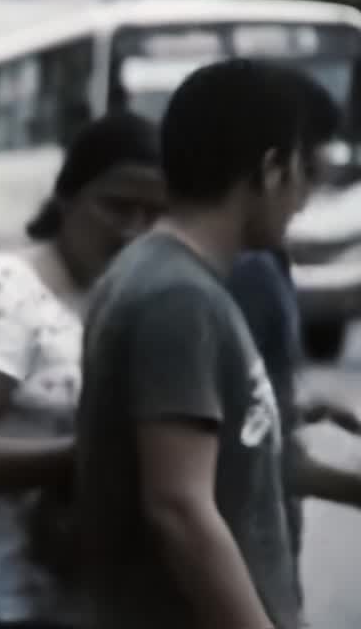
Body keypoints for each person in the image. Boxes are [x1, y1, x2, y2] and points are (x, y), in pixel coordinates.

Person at [75, 58, 318, 629]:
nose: (303, 197)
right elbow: (179, 509)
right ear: (271, 168)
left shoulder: (160, 274)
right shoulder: (178, 298)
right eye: (302, 170)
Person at [0, 112, 165, 629]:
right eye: (116, 206)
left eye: (152, 213)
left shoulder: (129, 293)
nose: (133, 230)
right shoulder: (7, 289)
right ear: (68, 196)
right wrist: (85, 458)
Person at [226, 74, 361, 606]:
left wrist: (301, 406)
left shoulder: (250, 256)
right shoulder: (251, 267)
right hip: (243, 562)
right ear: (275, 165)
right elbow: (249, 449)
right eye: (313, 164)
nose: (313, 193)